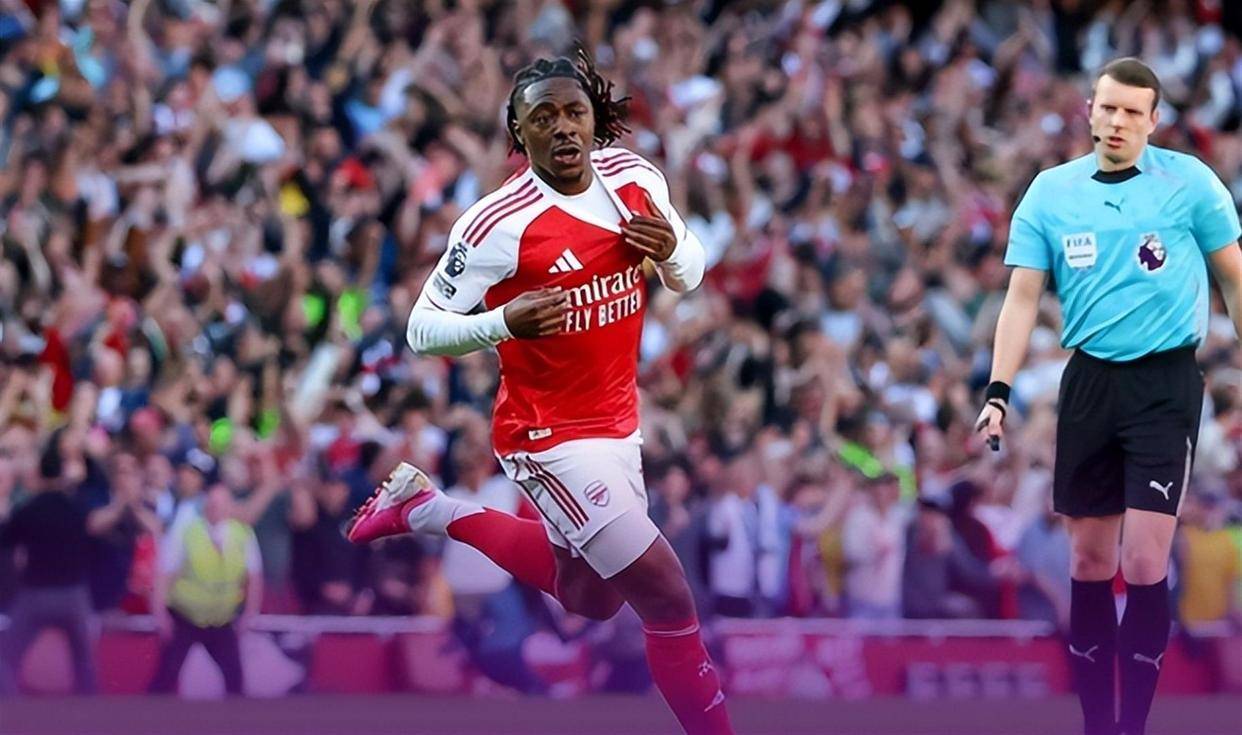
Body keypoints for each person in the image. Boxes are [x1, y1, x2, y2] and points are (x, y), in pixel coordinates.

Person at [348, 49, 734, 734]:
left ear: (593, 119)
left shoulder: (635, 178)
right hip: (546, 437)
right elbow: (420, 328)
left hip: (618, 426)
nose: (562, 127)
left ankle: (428, 509)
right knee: (668, 596)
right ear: (519, 133)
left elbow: (691, 271)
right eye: (543, 117)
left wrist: (673, 251)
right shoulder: (496, 224)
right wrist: (501, 322)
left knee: (592, 598)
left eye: (573, 112)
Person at [976, 58, 1242, 735]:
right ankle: (1098, 725)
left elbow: (1235, 279)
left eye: (1132, 111)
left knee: (1144, 560)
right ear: (1090, 111)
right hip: (1090, 382)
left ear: (1154, 120)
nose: (1117, 121)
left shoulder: (1190, 184)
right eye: (1108, 107)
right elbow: (1022, 299)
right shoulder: (1051, 193)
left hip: (1165, 383)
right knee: (1089, 561)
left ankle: (1133, 727)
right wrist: (999, 390)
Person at [0, 441, 98, 695]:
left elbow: (6, 540)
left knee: (7, 656)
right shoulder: (77, 507)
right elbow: (91, 543)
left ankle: (10, 708)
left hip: (35, 594)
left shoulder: (29, 509)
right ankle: (91, 710)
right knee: (84, 661)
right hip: (73, 594)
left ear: (40, 474)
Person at [148, 484, 262, 696]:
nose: (215, 508)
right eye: (212, 503)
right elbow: (164, 574)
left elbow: (254, 577)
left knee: (235, 679)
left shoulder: (243, 534)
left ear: (230, 506)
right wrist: (160, 612)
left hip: (220, 619)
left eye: (221, 503)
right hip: (185, 616)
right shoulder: (187, 532)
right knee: (165, 677)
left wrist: (250, 613)